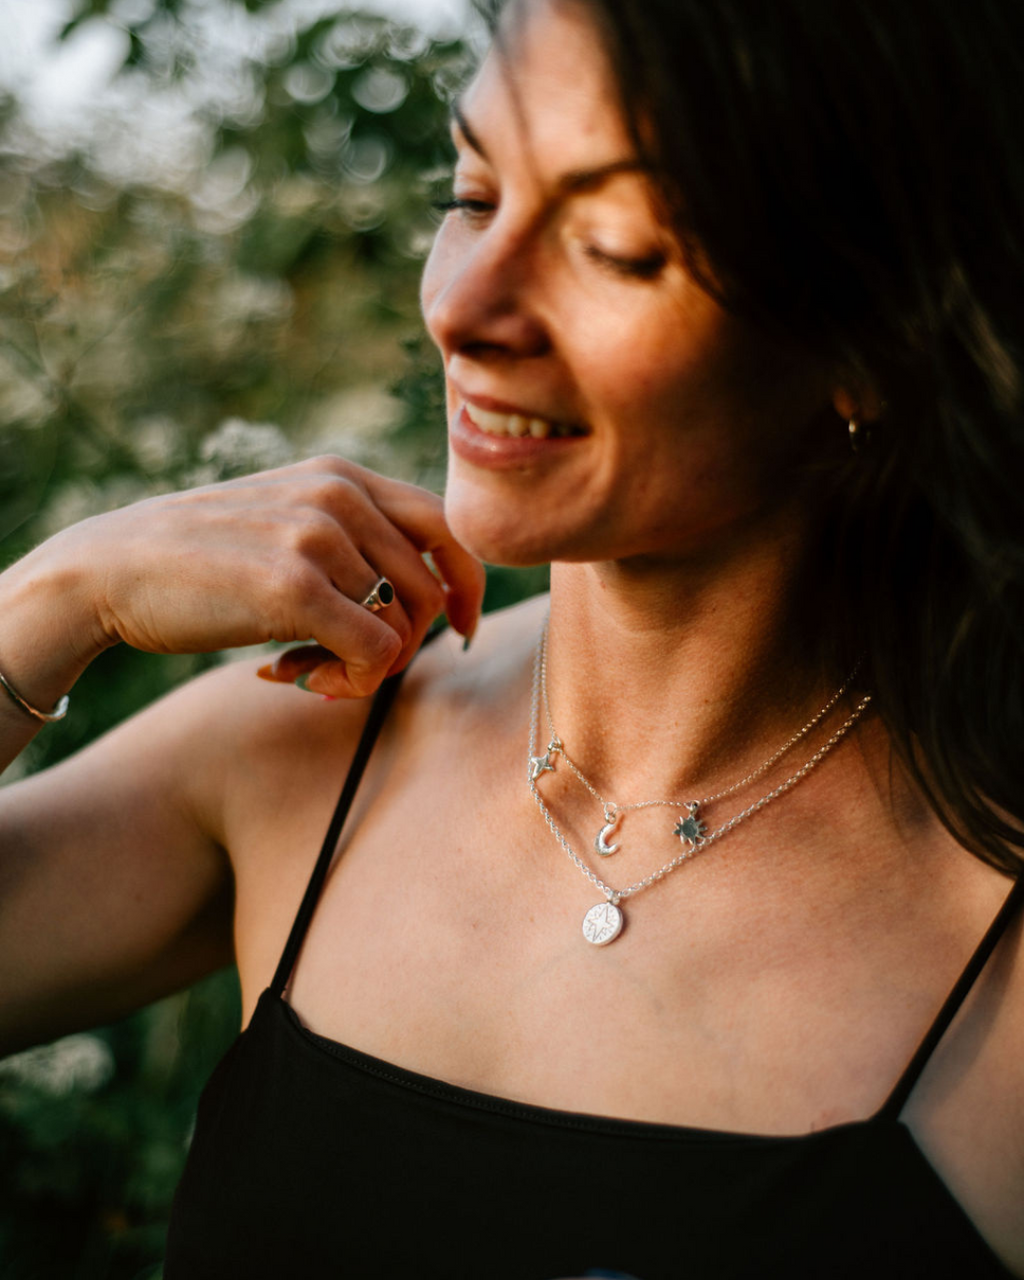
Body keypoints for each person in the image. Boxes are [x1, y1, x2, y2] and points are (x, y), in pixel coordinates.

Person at [1, 0, 1022, 1275]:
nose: (464, 308)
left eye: (613, 247)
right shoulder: (305, 749)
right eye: (472, 195)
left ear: (876, 338)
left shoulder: (991, 916)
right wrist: (51, 603)